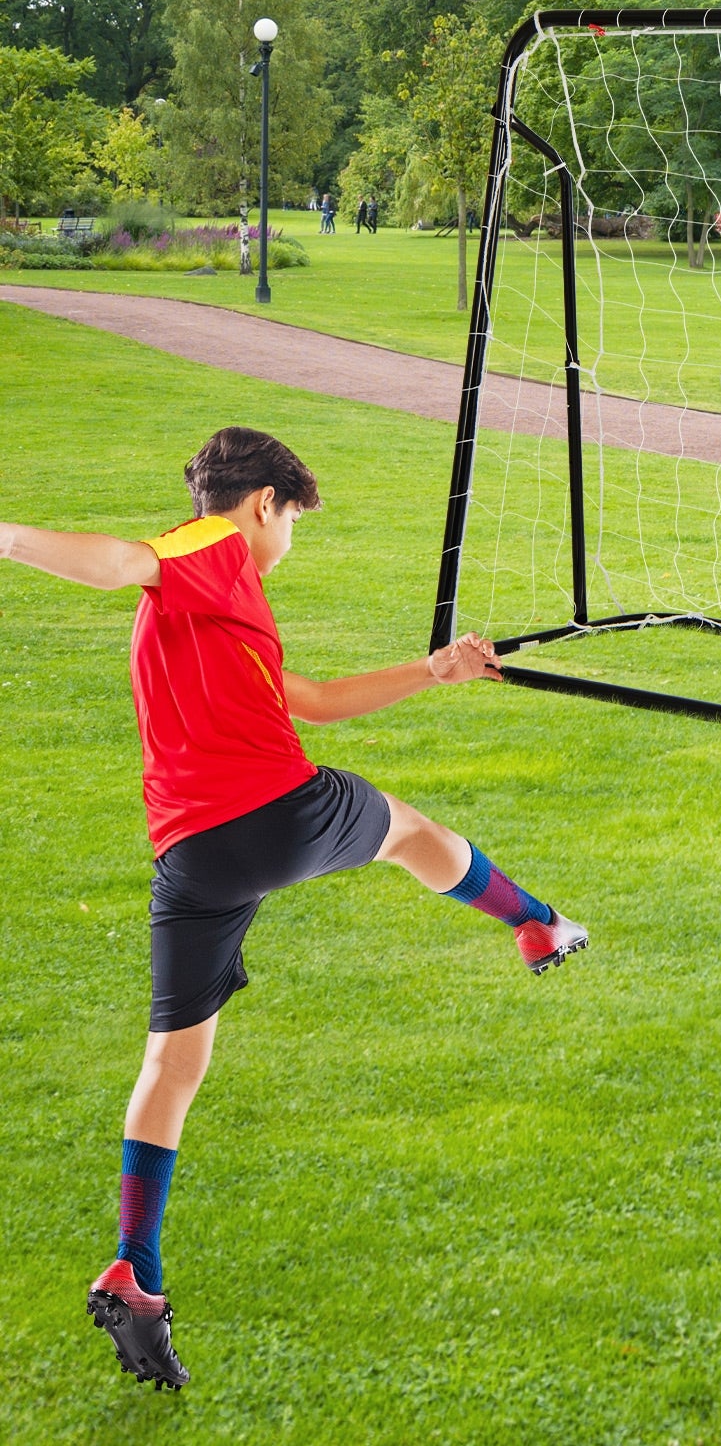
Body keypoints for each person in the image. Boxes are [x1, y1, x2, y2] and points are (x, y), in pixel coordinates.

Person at [0, 427, 587, 1391]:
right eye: (295, 522)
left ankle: (135, 1271)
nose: (288, 542)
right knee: (411, 834)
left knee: (173, 1062)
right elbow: (121, 562)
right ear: (265, 503)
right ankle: (536, 922)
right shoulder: (209, 550)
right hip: (276, 814)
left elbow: (307, 697)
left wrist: (432, 670)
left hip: (191, 857)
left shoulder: (220, 605)